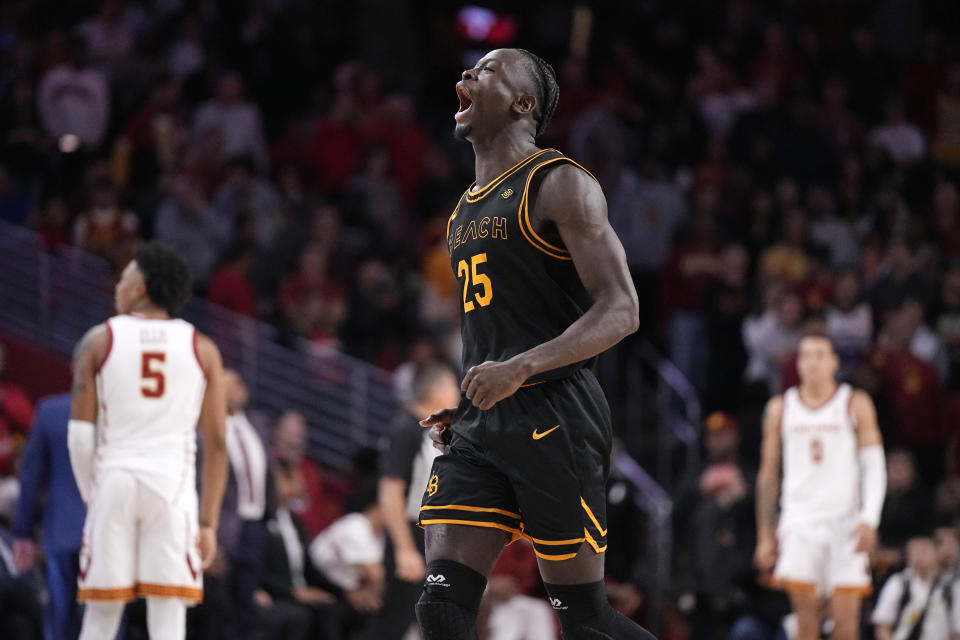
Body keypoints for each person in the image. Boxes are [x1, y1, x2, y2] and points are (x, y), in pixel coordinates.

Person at [416, 49, 648, 639]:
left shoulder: (559, 182)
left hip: (556, 417)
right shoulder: (462, 212)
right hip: (484, 424)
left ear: (524, 103)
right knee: (441, 610)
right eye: (469, 66)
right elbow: (492, 330)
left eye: (489, 68)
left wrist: (519, 369)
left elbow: (622, 310)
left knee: (586, 621)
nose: (468, 73)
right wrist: (473, 399)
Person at [67, 242, 228, 640]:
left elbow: (79, 438)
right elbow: (218, 445)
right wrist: (208, 523)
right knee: (168, 613)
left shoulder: (97, 340)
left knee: (102, 611)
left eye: (124, 278)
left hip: (116, 477)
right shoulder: (203, 348)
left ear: (140, 288)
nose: (118, 286)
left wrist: (93, 493)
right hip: (172, 488)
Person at [755, 331, 886, 640]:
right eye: (805, 356)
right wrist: (764, 533)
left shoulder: (855, 402)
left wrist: (870, 519)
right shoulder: (780, 407)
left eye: (818, 355)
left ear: (834, 362)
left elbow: (874, 465)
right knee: (806, 621)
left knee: (845, 623)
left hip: (846, 523)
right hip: (799, 522)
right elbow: (768, 475)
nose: (811, 362)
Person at [365, 360, 461, 640]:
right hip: (409, 534)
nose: (457, 392)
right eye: (453, 386)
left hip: (432, 538)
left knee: (425, 621)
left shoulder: (432, 432)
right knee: (393, 622)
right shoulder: (404, 430)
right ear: (436, 391)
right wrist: (404, 549)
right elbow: (390, 490)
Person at [12, 393, 89, 640]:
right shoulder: (122, 414)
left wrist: (23, 533)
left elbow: (31, 476)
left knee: (59, 620)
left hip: (61, 532)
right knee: (105, 620)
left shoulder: (50, 411)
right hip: (105, 534)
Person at [872, 534, 960, 640]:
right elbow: (882, 625)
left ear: (936, 552)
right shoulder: (899, 583)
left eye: (924, 550)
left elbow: (957, 631)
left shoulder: (950, 587)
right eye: (914, 551)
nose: (919, 556)